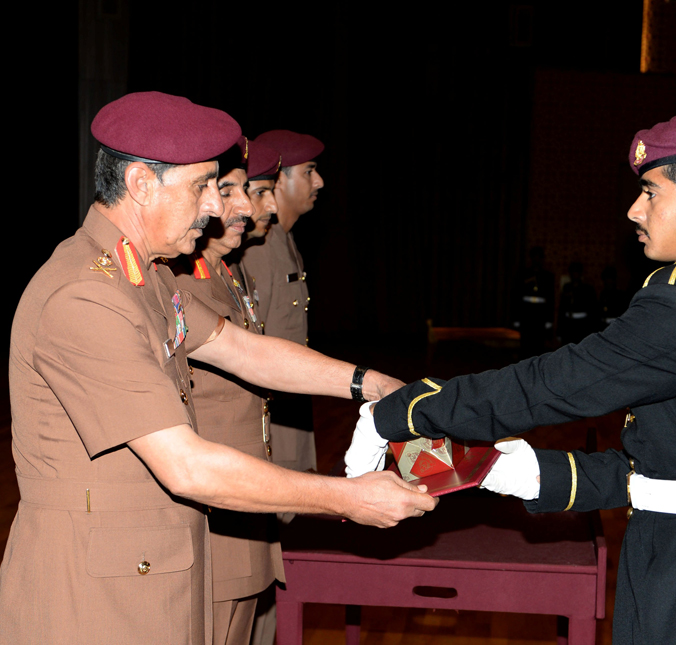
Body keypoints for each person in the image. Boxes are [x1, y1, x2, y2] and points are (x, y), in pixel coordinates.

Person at [346, 111, 676, 644]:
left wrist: (400, 411)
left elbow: (547, 386)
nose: (634, 209)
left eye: (650, 192)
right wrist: (529, 473)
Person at [0, 92, 436, 645]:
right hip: (94, 600)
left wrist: (371, 384)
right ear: (140, 184)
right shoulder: (87, 295)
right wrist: (348, 498)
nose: (216, 206)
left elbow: (243, 351)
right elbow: (188, 468)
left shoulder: (146, 277)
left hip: (152, 577)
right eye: (201, 185)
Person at [172, 137, 281, 645]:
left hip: (243, 506)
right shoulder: (183, 285)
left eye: (246, 190)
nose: (245, 207)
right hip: (217, 512)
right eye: (228, 189)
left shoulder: (225, 275)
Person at [237, 130, 324, 478]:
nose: (318, 181)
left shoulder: (283, 240)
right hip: (271, 399)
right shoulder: (259, 246)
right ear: (279, 181)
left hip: (290, 393)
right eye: (308, 171)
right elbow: (253, 335)